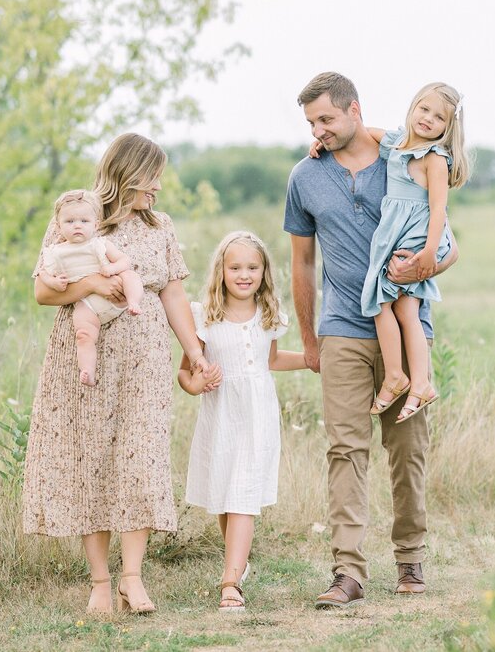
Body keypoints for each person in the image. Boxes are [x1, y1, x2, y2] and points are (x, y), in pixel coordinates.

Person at [24, 133, 219, 615]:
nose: (157, 187)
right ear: (127, 172)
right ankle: (99, 582)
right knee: (91, 458)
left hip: (145, 357)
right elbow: (44, 293)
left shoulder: (161, 227)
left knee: (141, 457)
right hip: (85, 358)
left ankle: (133, 578)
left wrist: (193, 349)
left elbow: (173, 293)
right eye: (151, 176)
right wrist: (92, 282)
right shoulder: (78, 216)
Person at [284, 72, 459, 609]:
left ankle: (410, 557)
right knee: (344, 449)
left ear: (354, 110)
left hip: (406, 329)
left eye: (327, 119)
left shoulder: (400, 155)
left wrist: (428, 266)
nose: (319, 130)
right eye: (312, 122)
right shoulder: (304, 177)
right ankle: (348, 573)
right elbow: (302, 262)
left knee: (407, 449)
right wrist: (310, 340)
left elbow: (449, 244)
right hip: (342, 328)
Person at [309, 82, 469, 422]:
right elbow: (361, 133)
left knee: (397, 306)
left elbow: (439, 209)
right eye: (423, 109)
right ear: (412, 107)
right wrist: (322, 138)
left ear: (448, 127)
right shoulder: (397, 143)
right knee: (386, 303)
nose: (427, 119)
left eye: (438, 117)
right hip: (396, 236)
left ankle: (414, 380)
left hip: (416, 237)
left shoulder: (435, 158)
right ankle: (405, 378)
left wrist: (427, 254)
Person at [178, 231, 307, 612]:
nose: (244, 274)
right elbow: (185, 374)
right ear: (221, 270)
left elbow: (271, 360)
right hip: (221, 414)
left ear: (265, 271)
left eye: (253, 267)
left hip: (258, 414)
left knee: (243, 495)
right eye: (235, 267)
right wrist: (196, 383)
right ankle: (239, 561)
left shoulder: (269, 315)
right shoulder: (203, 317)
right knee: (224, 494)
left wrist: (312, 360)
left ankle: (230, 582)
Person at [34, 189, 146, 386]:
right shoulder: (56, 252)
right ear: (58, 227)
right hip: (88, 305)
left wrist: (112, 268)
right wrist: (54, 282)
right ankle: (87, 370)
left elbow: (125, 261)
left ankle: (134, 301)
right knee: (83, 335)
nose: (77, 225)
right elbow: (43, 274)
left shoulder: (99, 244)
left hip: (118, 294)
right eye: (70, 222)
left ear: (95, 225)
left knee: (131, 276)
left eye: (84, 222)